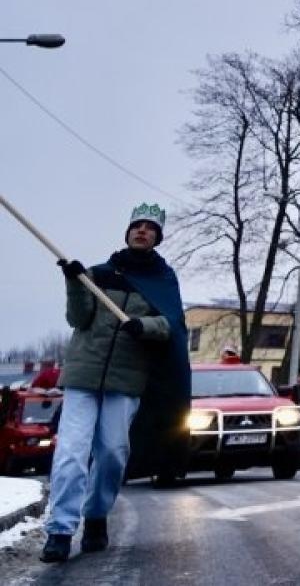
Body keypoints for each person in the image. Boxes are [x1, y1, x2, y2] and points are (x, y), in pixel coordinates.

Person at [40, 203, 190, 564]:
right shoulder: (99, 274)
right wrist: (74, 283)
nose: (142, 231)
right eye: (136, 225)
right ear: (127, 232)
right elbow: (78, 318)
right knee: (72, 454)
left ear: (157, 238)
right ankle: (60, 530)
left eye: (150, 228)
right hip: (83, 376)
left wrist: (146, 326)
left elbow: (172, 327)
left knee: (110, 454)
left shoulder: (163, 283)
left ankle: (95, 517)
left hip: (126, 381)